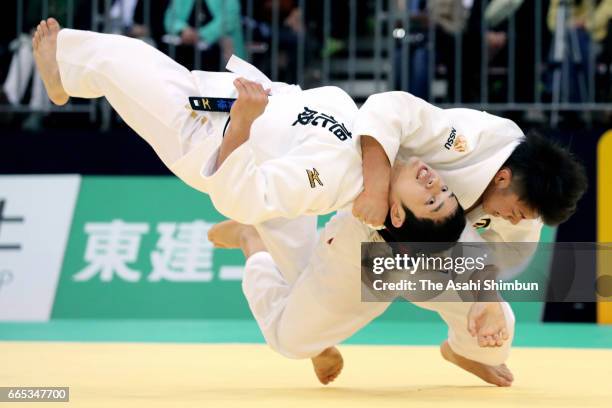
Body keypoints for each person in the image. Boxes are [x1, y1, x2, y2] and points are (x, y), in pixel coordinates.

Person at [32, 18, 465, 285]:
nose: (434, 180)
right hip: (225, 102)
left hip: (202, 135)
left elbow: (239, 196)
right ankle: (302, 320)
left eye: (430, 200)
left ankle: (64, 76)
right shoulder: (376, 146)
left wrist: (243, 122)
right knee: (296, 254)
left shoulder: (329, 182)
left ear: (396, 215)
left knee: (121, 57)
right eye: (444, 188)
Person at [208, 214, 515, 387]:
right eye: (516, 210)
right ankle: (253, 241)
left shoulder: (517, 208)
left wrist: (487, 298)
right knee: (290, 341)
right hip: (365, 250)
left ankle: (461, 352)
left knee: (498, 334)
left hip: (431, 257)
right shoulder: (396, 147)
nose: (516, 217)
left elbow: (478, 250)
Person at [351, 92, 588, 269]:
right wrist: (376, 191)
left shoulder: (529, 201)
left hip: (426, 251)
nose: (515, 222)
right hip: (369, 203)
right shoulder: (467, 141)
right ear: (503, 178)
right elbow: (385, 107)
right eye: (518, 213)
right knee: (328, 310)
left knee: (494, 321)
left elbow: (511, 255)